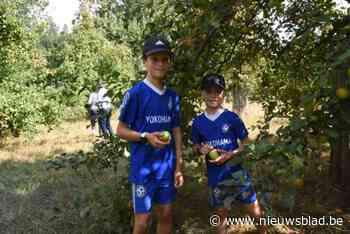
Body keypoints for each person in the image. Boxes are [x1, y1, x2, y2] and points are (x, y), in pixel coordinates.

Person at [116, 34, 184, 234]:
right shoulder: (135, 93)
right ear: (145, 61)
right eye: (155, 59)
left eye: (164, 59)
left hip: (166, 168)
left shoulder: (172, 97)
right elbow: (120, 130)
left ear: (169, 63)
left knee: (166, 214)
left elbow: (177, 130)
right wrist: (146, 136)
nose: (160, 64)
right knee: (143, 221)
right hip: (143, 170)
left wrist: (178, 165)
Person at [191, 74, 267, 234]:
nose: (213, 95)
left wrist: (231, 154)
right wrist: (200, 150)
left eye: (217, 91)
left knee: (255, 211)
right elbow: (195, 147)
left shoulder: (231, 118)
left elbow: (247, 144)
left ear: (223, 93)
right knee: (220, 217)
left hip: (238, 174)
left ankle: (264, 231)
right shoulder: (198, 123)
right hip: (216, 178)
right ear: (202, 94)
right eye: (209, 91)